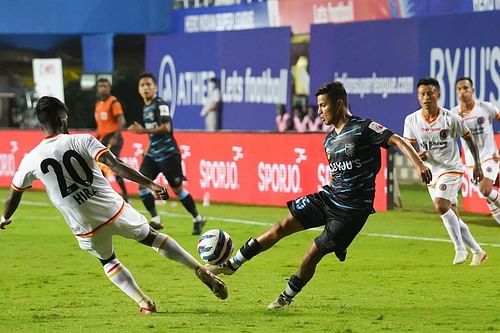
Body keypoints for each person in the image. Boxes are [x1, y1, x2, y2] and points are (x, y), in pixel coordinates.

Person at [205, 81, 433, 309]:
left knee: (313, 252)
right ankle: (233, 264)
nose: (319, 111)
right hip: (329, 197)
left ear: (339, 104)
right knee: (282, 226)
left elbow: (396, 140)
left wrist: (419, 164)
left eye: (323, 106)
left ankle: (285, 298)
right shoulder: (329, 140)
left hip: (352, 211)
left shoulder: (363, 128)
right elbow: (336, 175)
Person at [0, 96, 228, 314]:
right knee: (152, 238)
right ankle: (198, 269)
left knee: (107, 260)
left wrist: (5, 218)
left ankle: (145, 303)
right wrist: (150, 184)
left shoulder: (31, 158)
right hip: (115, 211)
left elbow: (14, 194)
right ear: (62, 119)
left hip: (86, 226)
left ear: (41, 125)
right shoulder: (83, 140)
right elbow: (116, 164)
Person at [403, 77, 487, 266]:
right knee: (452, 215)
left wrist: (478, 165)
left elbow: (468, 137)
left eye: (430, 93)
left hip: (451, 169)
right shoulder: (411, 120)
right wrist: (418, 156)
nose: (426, 97)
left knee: (441, 205)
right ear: (418, 97)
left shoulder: (450, 118)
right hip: (430, 173)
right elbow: (408, 146)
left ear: (438, 95)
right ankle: (478, 251)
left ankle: (459, 249)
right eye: (422, 94)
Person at [128, 73, 206, 235]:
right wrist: (147, 150)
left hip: (169, 155)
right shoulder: (146, 107)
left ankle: (197, 218)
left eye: (148, 85)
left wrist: (142, 131)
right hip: (153, 155)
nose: (145, 88)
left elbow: (166, 128)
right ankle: (156, 220)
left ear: (155, 87)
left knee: (177, 190)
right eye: (142, 85)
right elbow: (152, 134)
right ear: (138, 90)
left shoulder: (161, 104)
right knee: (141, 185)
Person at [451, 77, 500, 223]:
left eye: (465, 88)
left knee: (485, 189)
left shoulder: (485, 108)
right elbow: (447, 136)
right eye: (459, 89)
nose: (462, 92)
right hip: (471, 162)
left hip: (489, 156)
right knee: (487, 194)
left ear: (472, 90)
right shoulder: (454, 114)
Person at [94, 78, 129, 202]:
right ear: (98, 88)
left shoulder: (113, 102)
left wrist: (115, 136)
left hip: (114, 137)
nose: (103, 88)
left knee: (113, 165)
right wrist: (96, 138)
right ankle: (105, 194)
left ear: (109, 88)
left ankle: (124, 194)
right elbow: (101, 126)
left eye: (105, 86)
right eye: (101, 86)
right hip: (103, 138)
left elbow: (122, 121)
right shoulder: (98, 105)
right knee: (99, 166)